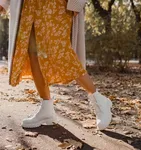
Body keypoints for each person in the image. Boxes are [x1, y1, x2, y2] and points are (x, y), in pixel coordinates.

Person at [0, 0, 112, 130]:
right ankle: (46, 108)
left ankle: (99, 100)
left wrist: (77, 2)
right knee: (34, 55)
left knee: (61, 52)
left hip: (56, 3)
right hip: (28, 4)